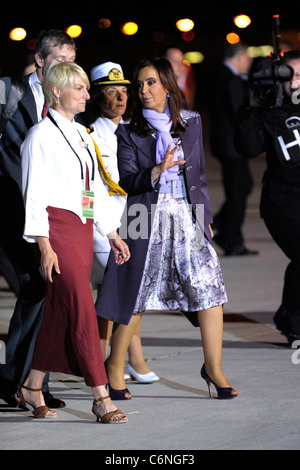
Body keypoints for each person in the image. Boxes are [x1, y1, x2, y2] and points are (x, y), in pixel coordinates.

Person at [95, 57, 238, 400]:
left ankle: (213, 368)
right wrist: (159, 169)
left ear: (167, 86)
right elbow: (128, 180)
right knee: (137, 293)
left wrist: (205, 219)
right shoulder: (128, 130)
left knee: (209, 290)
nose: (142, 91)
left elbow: (200, 176)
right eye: (140, 84)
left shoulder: (191, 121)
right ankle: (115, 367)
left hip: (186, 216)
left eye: (150, 83)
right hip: (145, 216)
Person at [18, 61, 129, 422]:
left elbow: (93, 188)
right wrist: (44, 246)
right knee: (82, 308)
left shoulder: (83, 134)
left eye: (85, 88)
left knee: (59, 313)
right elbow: (32, 195)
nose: (86, 94)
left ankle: (31, 386)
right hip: (55, 230)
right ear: (56, 92)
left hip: (82, 231)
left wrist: (110, 232)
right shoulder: (39, 137)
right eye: (79, 88)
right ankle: (100, 396)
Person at [0, 29, 76, 409]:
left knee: (42, 291)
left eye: (72, 60)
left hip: (42, 216)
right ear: (42, 61)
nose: (68, 68)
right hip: (8, 213)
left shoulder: (66, 101)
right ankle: (19, 381)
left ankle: (26, 380)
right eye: (61, 61)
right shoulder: (7, 92)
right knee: (36, 288)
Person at [86, 62, 159, 393]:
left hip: (137, 220)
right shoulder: (90, 136)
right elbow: (92, 188)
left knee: (132, 292)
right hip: (108, 225)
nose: (121, 97)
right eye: (111, 91)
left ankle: (128, 358)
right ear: (98, 96)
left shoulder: (135, 129)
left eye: (125, 90)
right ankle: (109, 364)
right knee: (120, 294)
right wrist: (103, 227)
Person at [236, 50, 300, 345]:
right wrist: (252, 105)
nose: (298, 81)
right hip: (283, 201)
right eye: (293, 74)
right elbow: (248, 148)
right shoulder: (270, 110)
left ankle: (289, 316)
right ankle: (292, 321)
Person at [209, 42, 258, 256]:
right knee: (238, 191)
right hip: (233, 146)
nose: (249, 63)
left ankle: (223, 230)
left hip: (225, 145)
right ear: (238, 58)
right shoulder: (231, 80)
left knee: (241, 188)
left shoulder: (220, 75)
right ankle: (230, 239)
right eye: (247, 58)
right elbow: (239, 114)